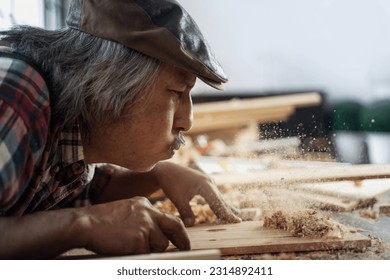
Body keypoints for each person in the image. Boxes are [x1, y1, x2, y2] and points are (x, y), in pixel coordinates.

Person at [0, 0, 241, 259]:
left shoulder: (72, 129)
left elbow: (72, 193)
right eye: (176, 92)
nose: (187, 121)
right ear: (106, 82)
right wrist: (84, 224)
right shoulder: (14, 92)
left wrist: (156, 176)